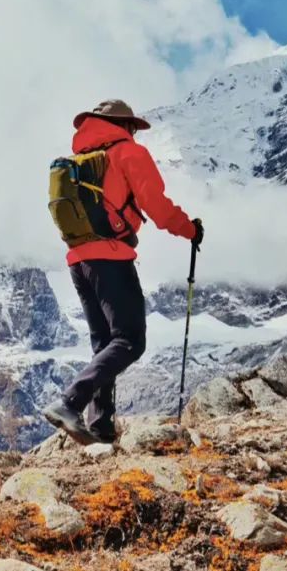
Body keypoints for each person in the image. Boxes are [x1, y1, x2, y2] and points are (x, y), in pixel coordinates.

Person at [42, 99, 203, 444]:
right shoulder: (128, 154)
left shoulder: (79, 160)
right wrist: (189, 229)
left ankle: (100, 427)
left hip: (79, 261)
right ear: (124, 126)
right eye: (132, 127)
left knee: (105, 343)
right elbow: (157, 208)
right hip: (111, 257)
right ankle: (69, 401)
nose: (134, 133)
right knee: (130, 340)